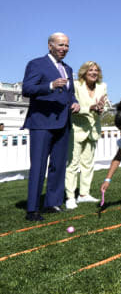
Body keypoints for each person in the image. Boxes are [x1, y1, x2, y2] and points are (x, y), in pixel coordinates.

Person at [21, 32, 80, 221]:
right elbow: (27, 89)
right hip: (41, 123)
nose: (64, 49)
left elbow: (69, 94)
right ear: (50, 46)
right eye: (61, 45)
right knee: (38, 166)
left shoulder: (68, 69)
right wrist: (50, 85)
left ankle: (52, 203)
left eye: (67, 46)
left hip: (63, 123)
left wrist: (75, 102)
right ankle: (32, 209)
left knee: (58, 165)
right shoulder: (36, 64)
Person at [65, 61, 108, 210]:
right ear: (84, 72)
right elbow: (72, 107)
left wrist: (102, 109)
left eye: (96, 70)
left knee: (88, 164)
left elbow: (105, 104)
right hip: (76, 129)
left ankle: (84, 194)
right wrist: (90, 107)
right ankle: (70, 197)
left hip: (93, 130)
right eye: (90, 70)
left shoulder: (102, 86)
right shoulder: (76, 85)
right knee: (72, 165)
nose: (94, 73)